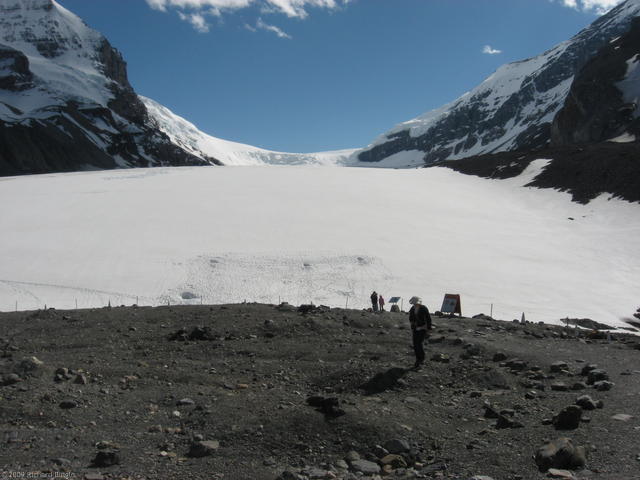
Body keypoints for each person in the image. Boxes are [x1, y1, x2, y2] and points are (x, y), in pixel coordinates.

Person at [408, 296, 432, 369]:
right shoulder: (412, 308)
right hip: (415, 329)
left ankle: (421, 358)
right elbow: (410, 318)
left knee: (419, 343)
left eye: (415, 303)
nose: (414, 304)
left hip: (423, 328)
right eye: (413, 303)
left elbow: (428, 318)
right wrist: (412, 323)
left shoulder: (423, 308)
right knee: (415, 344)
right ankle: (418, 358)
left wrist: (428, 328)